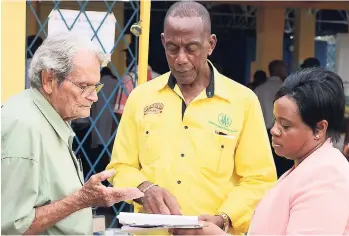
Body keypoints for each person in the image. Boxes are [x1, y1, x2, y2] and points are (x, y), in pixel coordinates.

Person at [106, 1, 277, 234]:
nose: (181, 59)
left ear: (211, 44)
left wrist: (223, 218)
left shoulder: (243, 102)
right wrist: (144, 188)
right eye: (172, 48)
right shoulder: (141, 98)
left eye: (191, 48)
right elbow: (120, 167)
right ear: (163, 41)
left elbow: (259, 179)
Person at [172, 68, 349, 235]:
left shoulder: (326, 177)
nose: (274, 130)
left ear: (319, 129)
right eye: (275, 121)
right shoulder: (305, 167)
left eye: (285, 125)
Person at [1, 33, 143, 235]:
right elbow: (12, 227)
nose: (94, 97)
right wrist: (81, 200)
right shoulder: (25, 126)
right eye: (84, 86)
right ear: (49, 79)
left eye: (96, 86)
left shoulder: (52, 118)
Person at [254, 60, 293, 177]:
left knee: (266, 166)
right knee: (284, 167)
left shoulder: (258, 90)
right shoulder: (287, 90)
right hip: (284, 131)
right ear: (280, 70)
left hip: (263, 133)